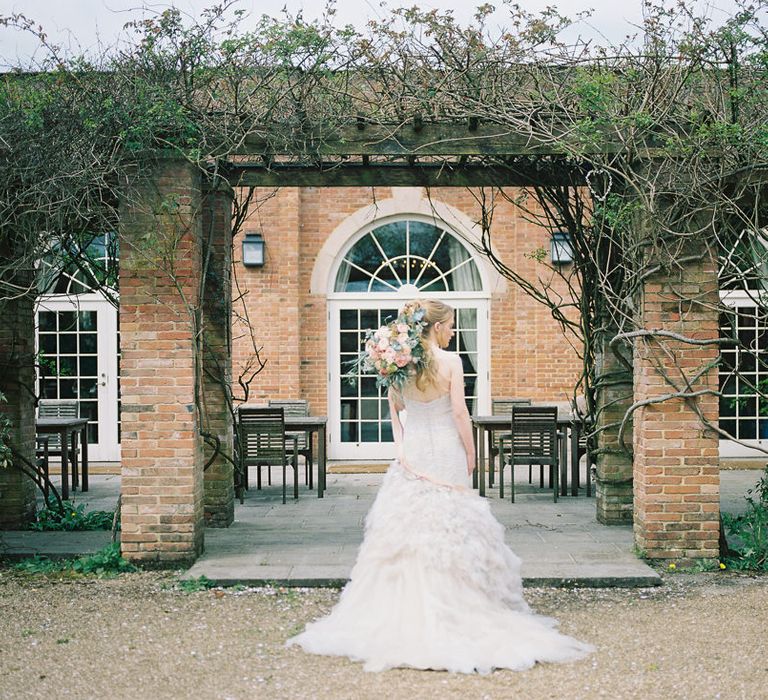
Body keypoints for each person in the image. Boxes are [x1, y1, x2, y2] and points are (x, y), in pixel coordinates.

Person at [287, 299, 594, 673]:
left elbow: (394, 408)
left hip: (414, 452)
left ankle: (405, 610)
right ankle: (460, 604)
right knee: (453, 523)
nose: (452, 331)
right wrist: (470, 452)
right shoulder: (450, 363)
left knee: (407, 525)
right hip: (445, 449)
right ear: (435, 327)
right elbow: (460, 412)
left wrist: (400, 445)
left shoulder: (401, 363)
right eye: (450, 324)